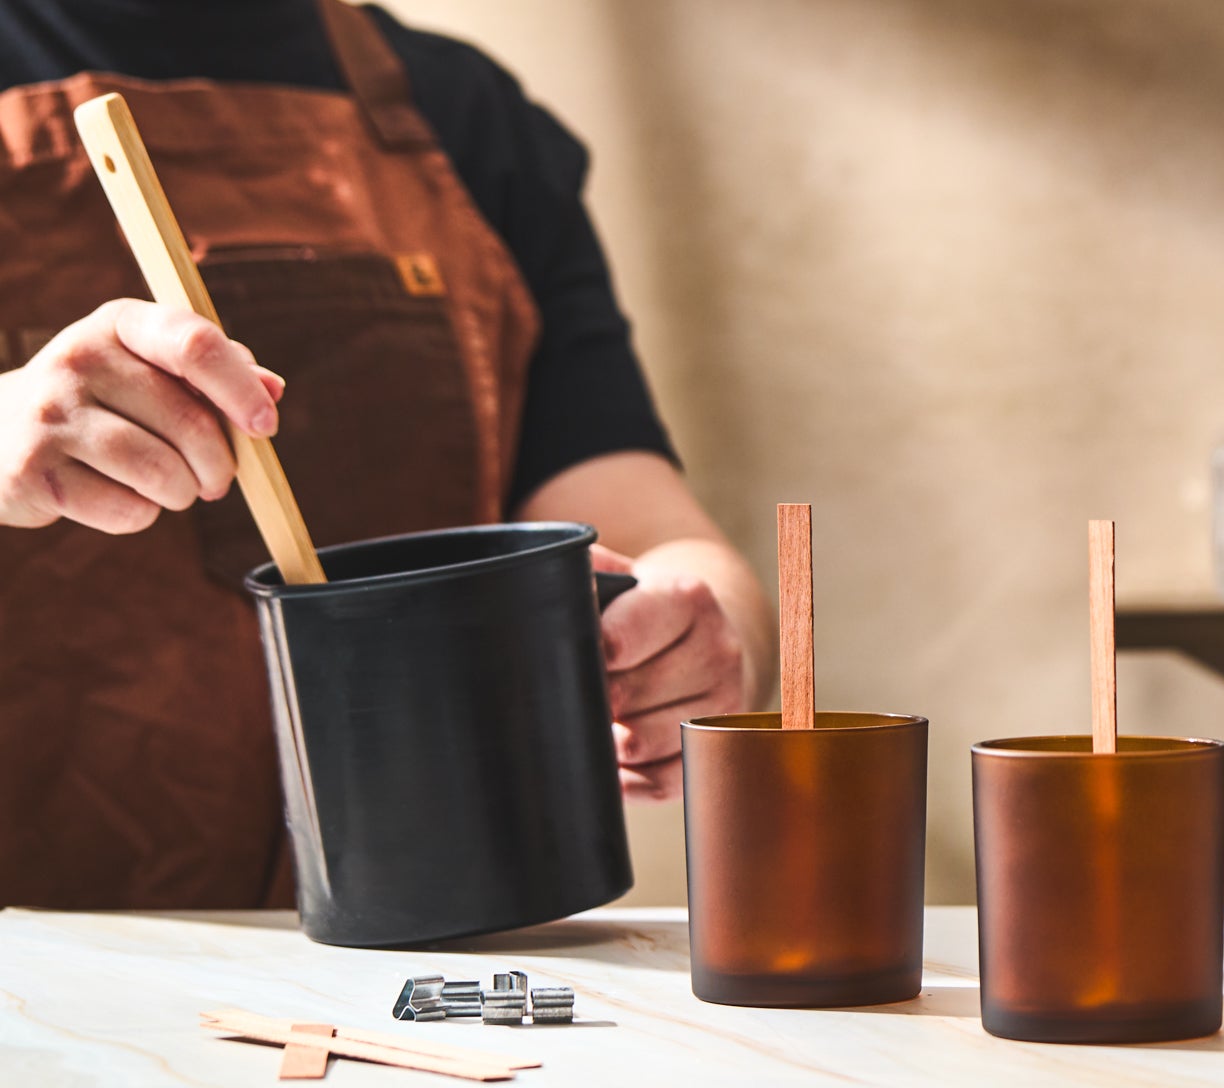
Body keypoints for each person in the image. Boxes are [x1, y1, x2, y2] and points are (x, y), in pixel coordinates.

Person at [0, 0, 771, 908]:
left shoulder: (460, 110)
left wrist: (710, 643)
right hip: (47, 963)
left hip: (428, 933)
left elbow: (651, 528)